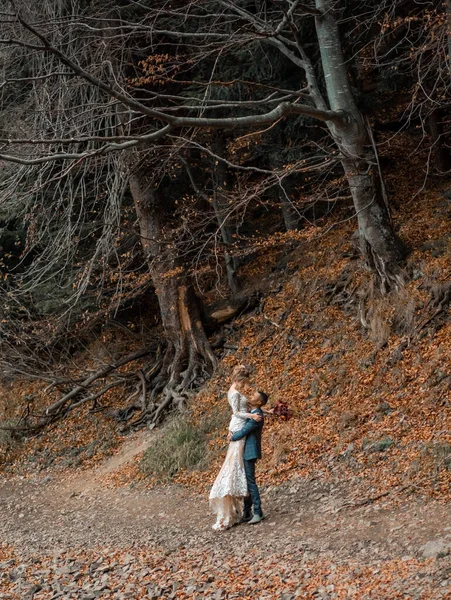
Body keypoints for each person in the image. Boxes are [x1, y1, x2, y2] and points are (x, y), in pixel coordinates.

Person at [209, 365, 262, 531]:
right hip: (239, 426)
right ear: (240, 379)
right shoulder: (234, 393)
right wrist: (252, 416)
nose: (246, 385)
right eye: (245, 381)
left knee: (240, 468)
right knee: (235, 467)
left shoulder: (236, 392)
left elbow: (247, 408)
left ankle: (246, 509)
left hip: (240, 426)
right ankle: (243, 505)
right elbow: (237, 413)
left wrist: (263, 411)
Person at [229, 390, 268, 524]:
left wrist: (232, 437)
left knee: (250, 482)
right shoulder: (252, 413)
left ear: (258, 402)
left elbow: (245, 431)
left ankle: (258, 512)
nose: (250, 396)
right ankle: (247, 512)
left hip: (250, 451)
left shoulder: (257, 415)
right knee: (247, 481)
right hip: (246, 451)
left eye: (253, 396)